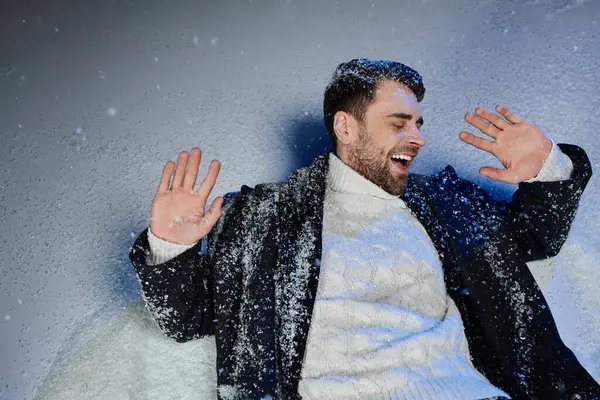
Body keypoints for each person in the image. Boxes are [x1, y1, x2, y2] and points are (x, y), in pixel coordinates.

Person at [129, 58, 600, 400]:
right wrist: (170, 246)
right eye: (399, 123)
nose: (416, 137)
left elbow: (534, 240)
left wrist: (549, 170)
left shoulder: (447, 204)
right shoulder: (262, 217)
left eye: (418, 123)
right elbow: (185, 320)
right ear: (346, 128)